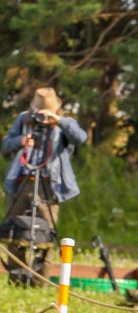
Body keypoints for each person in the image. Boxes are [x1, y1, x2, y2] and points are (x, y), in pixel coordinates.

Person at [2, 88, 88, 284]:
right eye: (38, 112)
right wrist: (20, 141)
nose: (41, 117)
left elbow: (81, 138)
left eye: (45, 113)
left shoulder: (64, 122)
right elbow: (5, 145)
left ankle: (40, 280)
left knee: (46, 232)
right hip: (22, 180)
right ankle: (16, 277)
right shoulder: (23, 119)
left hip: (50, 184)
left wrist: (58, 121)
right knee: (14, 228)